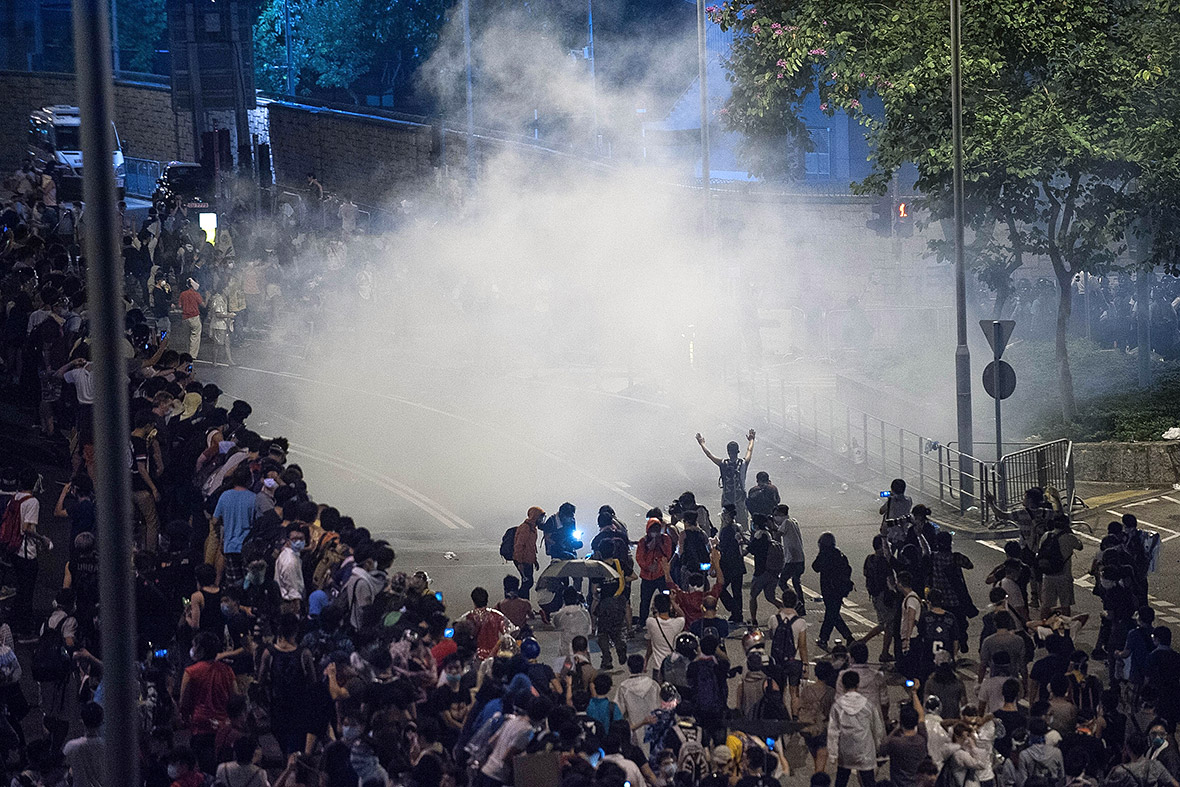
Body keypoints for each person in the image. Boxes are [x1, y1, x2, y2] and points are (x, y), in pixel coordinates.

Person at [180, 631, 238, 774]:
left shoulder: (190, 672)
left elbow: (183, 703)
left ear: (201, 650)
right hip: (223, 727)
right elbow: (235, 697)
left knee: (206, 772)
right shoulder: (227, 670)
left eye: (195, 645)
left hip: (201, 727)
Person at [257, 613, 315, 757]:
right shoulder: (304, 654)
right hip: (299, 705)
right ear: (296, 630)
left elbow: (261, 679)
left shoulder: (269, 653)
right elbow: (313, 681)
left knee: (283, 740)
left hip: (278, 704)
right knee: (297, 743)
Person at [828, 670, 885, 787]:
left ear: (843, 685)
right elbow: (877, 728)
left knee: (841, 781)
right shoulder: (867, 705)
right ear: (858, 684)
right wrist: (878, 746)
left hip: (846, 751)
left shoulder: (837, 706)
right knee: (869, 781)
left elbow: (833, 731)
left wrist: (833, 753)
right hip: (865, 750)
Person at [696, 429, 756, 527]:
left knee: (726, 524)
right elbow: (749, 450)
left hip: (727, 499)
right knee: (743, 525)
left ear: (728, 452)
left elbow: (709, 455)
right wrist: (751, 440)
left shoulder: (723, 463)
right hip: (740, 499)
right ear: (738, 451)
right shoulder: (743, 463)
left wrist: (702, 443)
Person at [813, 532, 855, 649]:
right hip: (839, 589)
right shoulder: (839, 554)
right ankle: (848, 637)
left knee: (831, 614)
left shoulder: (825, 555)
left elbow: (815, 567)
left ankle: (824, 638)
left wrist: (820, 554)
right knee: (833, 614)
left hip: (829, 589)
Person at [1037, 515, 1084, 619]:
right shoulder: (1069, 537)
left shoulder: (1046, 536)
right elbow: (1080, 546)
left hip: (1047, 575)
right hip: (1064, 576)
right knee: (1065, 605)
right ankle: (1065, 627)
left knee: (1046, 605)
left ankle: (1043, 626)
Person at [879, 689, 928, 787]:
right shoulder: (922, 739)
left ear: (902, 723)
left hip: (899, 784)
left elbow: (882, 749)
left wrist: (896, 729)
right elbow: (921, 715)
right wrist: (914, 693)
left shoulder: (896, 743)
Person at [864, 535, 898, 662]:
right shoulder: (884, 561)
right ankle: (864, 642)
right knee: (887, 624)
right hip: (885, 596)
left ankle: (884, 652)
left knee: (887, 624)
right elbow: (890, 580)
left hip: (874, 595)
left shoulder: (869, 559)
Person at [636, 517, 675, 627]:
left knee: (666, 596)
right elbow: (639, 558)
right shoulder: (643, 541)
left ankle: (668, 616)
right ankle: (642, 621)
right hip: (647, 577)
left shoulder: (665, 539)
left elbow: (668, 554)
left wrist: (658, 544)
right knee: (645, 600)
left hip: (661, 575)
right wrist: (648, 567)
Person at [747, 514, 783, 625]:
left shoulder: (759, 536)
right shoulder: (768, 534)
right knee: (771, 597)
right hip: (773, 571)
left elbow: (750, 549)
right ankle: (787, 612)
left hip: (761, 572)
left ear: (756, 524)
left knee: (753, 596)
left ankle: (753, 619)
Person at [63, 701, 105, 787]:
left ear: (82, 721)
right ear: (101, 721)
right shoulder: (107, 746)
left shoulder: (71, 746)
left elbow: (63, 770)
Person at [775, 503, 807, 612]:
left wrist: (771, 526)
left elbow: (777, 535)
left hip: (792, 559)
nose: (775, 517)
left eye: (776, 514)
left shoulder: (786, 522)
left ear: (781, 514)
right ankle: (801, 604)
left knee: (782, 582)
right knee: (796, 581)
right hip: (800, 558)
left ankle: (796, 602)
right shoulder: (793, 521)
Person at [512, 506, 544, 600]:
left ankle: (524, 605)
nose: (541, 520)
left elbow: (531, 547)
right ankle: (520, 603)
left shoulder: (532, 528)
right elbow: (519, 545)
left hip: (528, 560)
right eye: (540, 517)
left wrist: (534, 560)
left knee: (527, 583)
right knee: (527, 583)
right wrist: (519, 562)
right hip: (522, 560)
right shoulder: (525, 528)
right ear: (535, 517)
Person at [178, 278, 204, 358]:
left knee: (186, 336)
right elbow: (203, 305)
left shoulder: (183, 294)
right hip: (194, 317)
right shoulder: (196, 294)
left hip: (185, 317)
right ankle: (192, 355)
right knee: (195, 337)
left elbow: (179, 306)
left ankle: (186, 353)